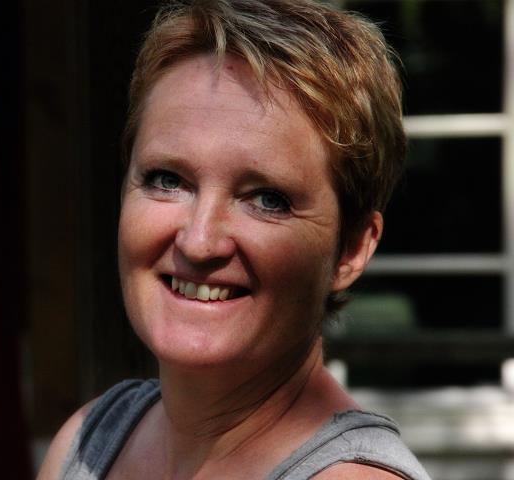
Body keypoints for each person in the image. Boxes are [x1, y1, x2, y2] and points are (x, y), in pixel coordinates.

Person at [39, 0, 431, 478]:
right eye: (167, 180)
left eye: (267, 199)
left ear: (351, 249)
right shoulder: (86, 442)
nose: (199, 242)